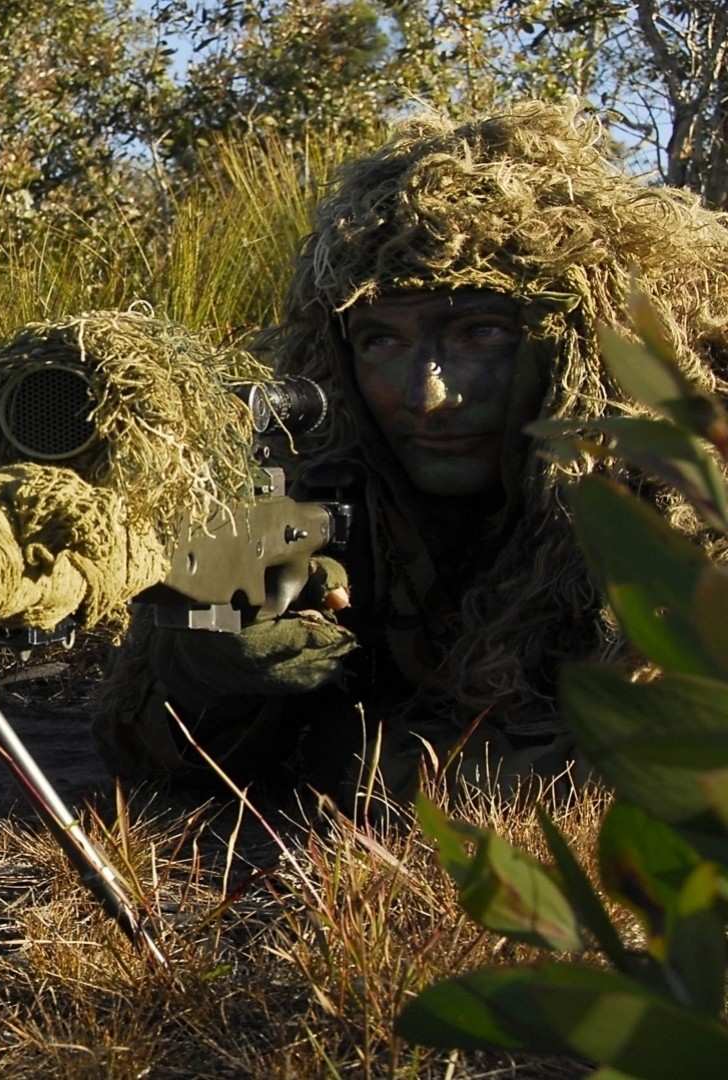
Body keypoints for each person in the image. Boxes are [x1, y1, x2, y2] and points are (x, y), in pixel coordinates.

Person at [93, 101, 728, 799]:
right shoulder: (322, 483)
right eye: (383, 341)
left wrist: (357, 758)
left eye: (480, 334)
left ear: (573, 349)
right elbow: (140, 744)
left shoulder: (675, 495)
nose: (425, 397)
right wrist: (215, 671)